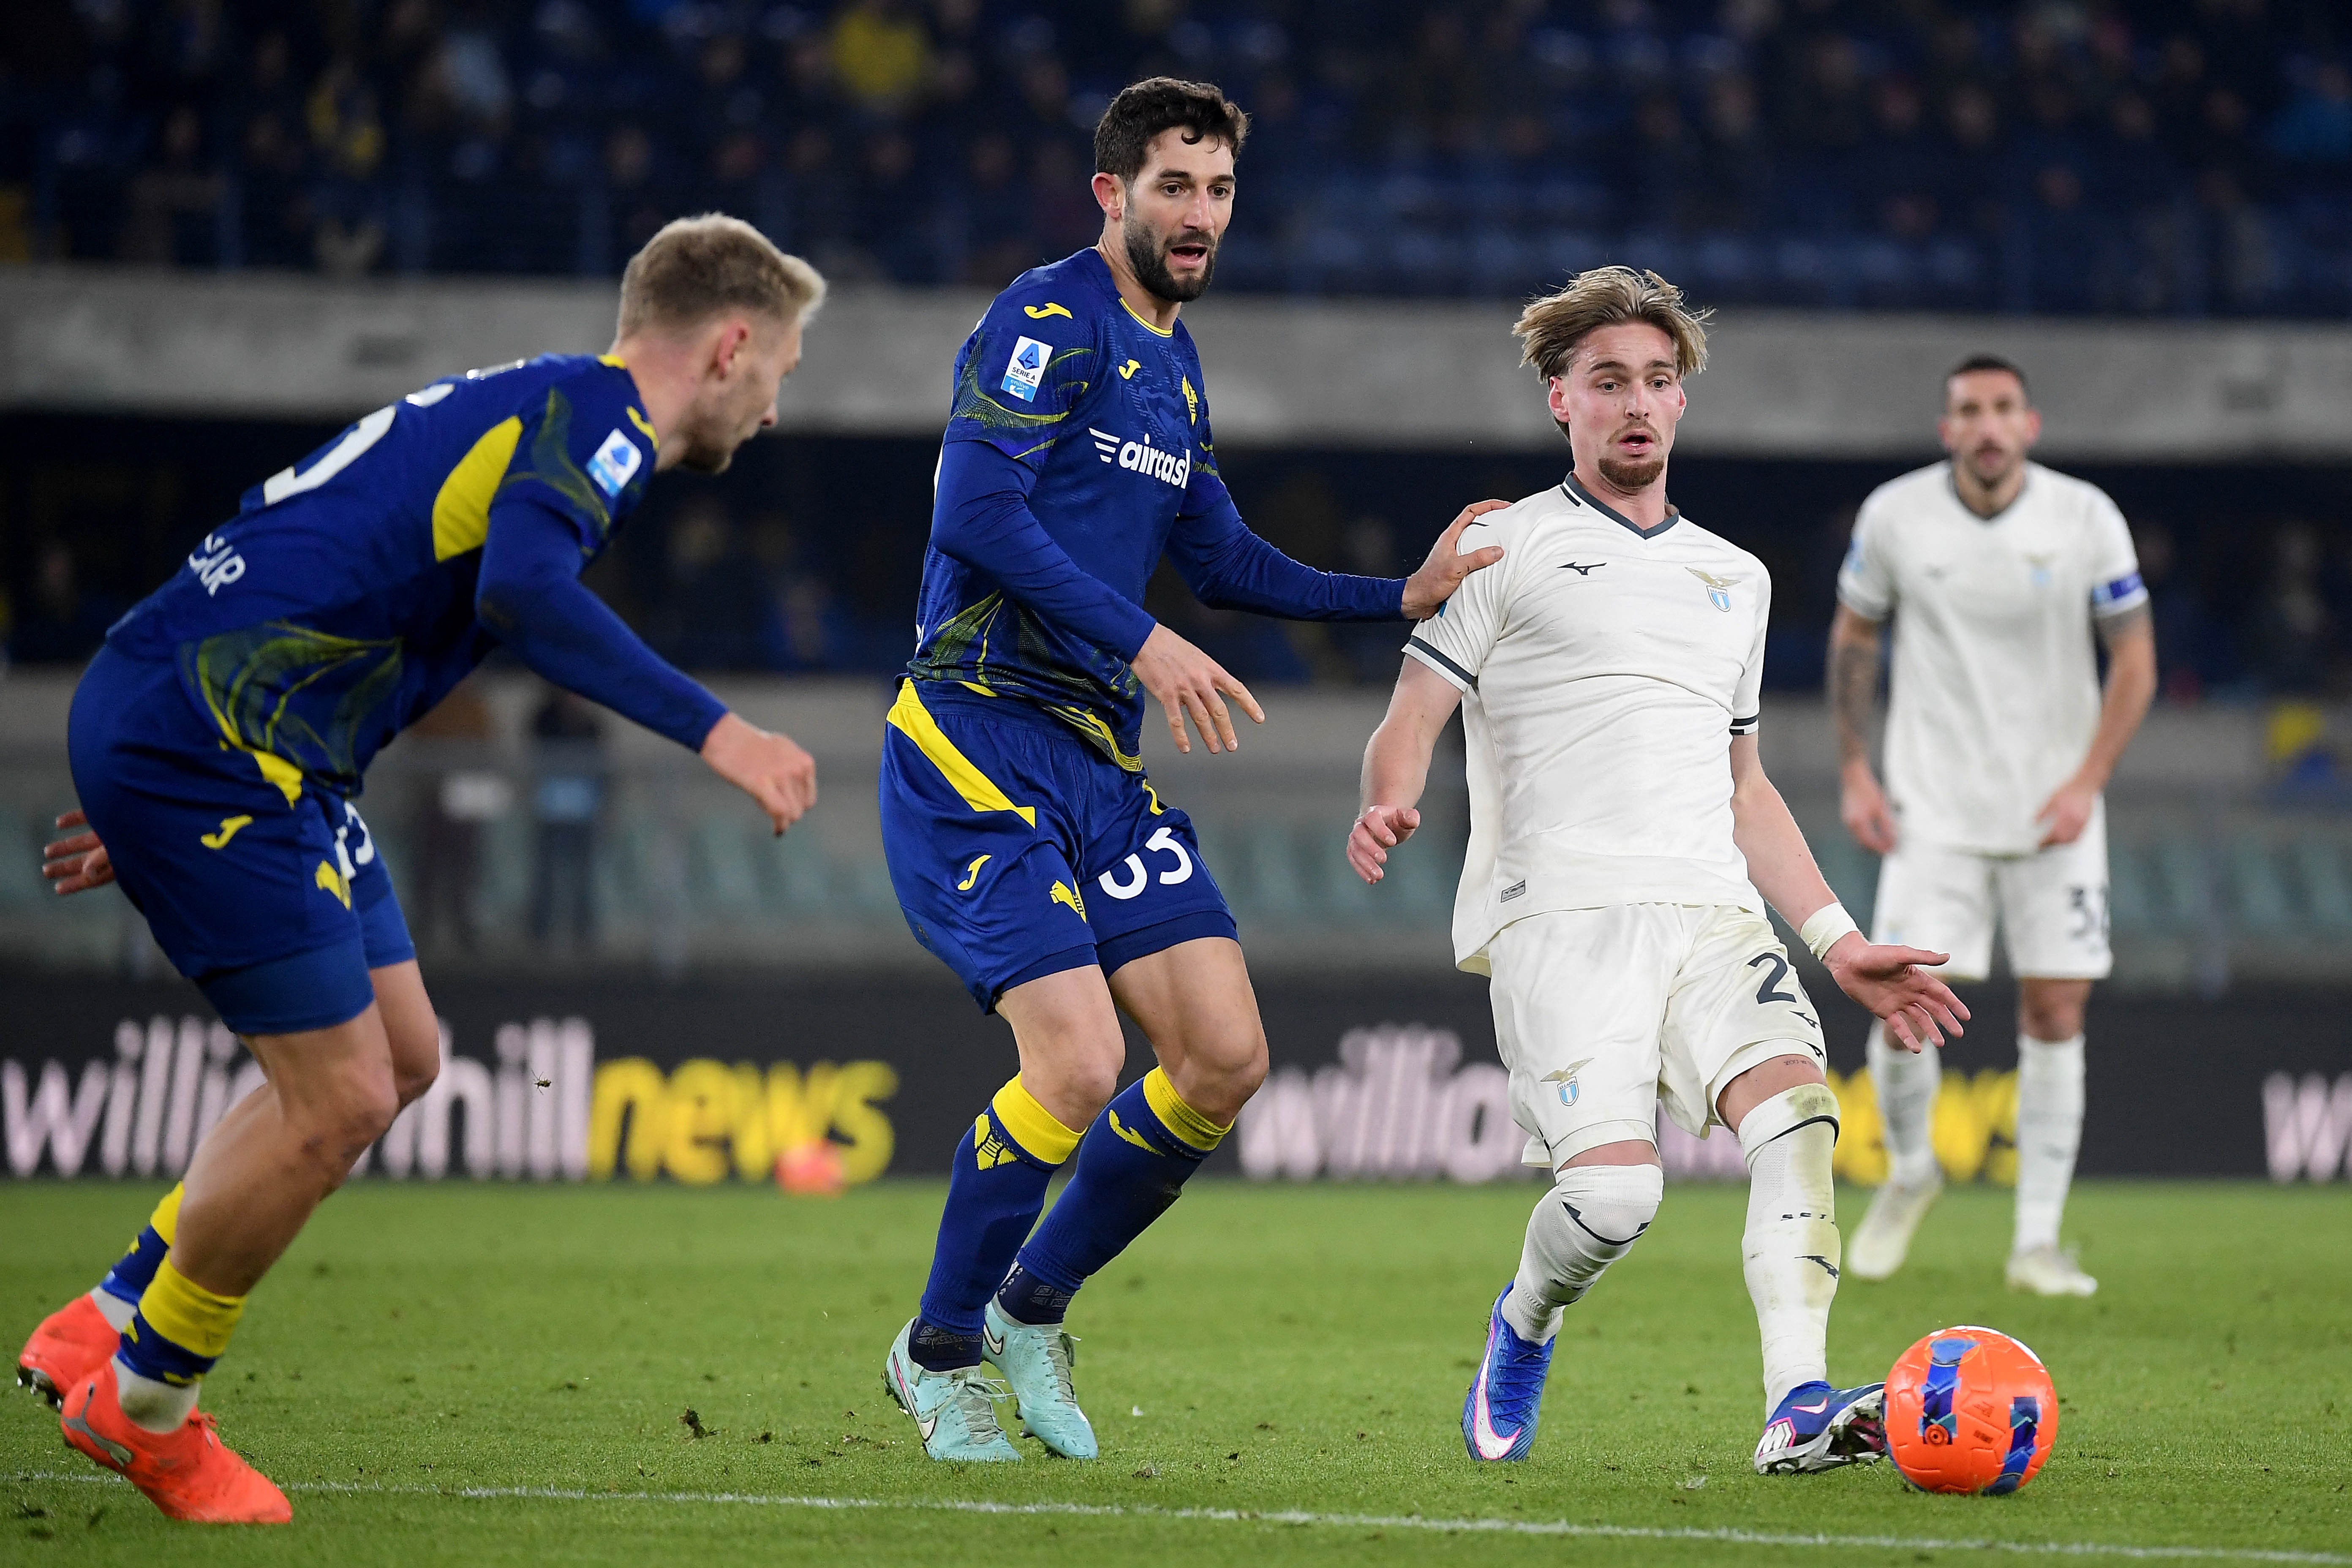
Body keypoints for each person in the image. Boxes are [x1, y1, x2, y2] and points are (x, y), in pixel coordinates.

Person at [17, 214, 825, 1523]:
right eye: (782, 370)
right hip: (218, 737)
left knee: (403, 1058)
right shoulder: (601, 422)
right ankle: (147, 1402)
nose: (777, 408)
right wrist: (716, 730)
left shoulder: (537, 403)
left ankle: (96, 1325)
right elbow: (523, 592)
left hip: (230, 734)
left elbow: (344, 552)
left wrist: (152, 780)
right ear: (732, 344)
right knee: (333, 1103)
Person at [877, 77, 1501, 1463]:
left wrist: (1396, 593)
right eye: (1172, 186)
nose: (1198, 214)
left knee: (1222, 1056)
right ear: (1110, 195)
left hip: (1093, 751)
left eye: (1216, 189)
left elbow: (1218, 558)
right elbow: (975, 512)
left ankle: (1032, 1307)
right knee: (1081, 1057)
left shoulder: (1173, 363)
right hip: (973, 727)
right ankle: (936, 1353)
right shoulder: (1048, 316)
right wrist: (1145, 639)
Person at [1348, 267, 1968, 1473]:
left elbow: (1744, 790)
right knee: (1616, 1205)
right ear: (1559, 402)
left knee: (1797, 1115)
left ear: (1682, 403)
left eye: (1657, 380)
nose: (1635, 402)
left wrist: (1840, 943)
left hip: (1712, 912)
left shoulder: (1737, 578)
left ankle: (1797, 1406)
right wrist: (1390, 794)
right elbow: (1412, 714)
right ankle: (1525, 1319)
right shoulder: (1501, 547)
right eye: (1607, 381)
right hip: (1560, 918)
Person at [1829, 355, 2156, 1296]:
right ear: (1947, 428)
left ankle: (2038, 1242)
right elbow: (1856, 635)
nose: (1986, 425)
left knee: (2056, 1010)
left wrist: (2089, 779)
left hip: (2057, 811)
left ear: (2030, 424)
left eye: (2002, 409)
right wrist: (1858, 768)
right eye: (1969, 410)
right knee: (1902, 1008)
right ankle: (1909, 1172)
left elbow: (2134, 655)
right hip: (1933, 807)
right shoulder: (1895, 515)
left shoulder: (2085, 516)